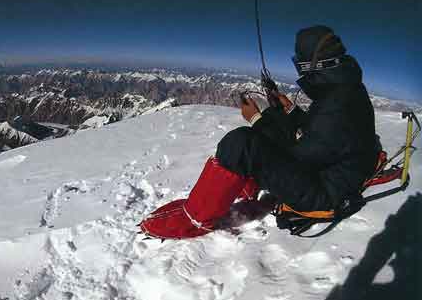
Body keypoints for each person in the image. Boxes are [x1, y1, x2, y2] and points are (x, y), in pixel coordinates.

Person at [140, 25, 380, 239]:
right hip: (336, 173)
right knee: (270, 128)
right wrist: (290, 111)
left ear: (310, 65)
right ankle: (244, 183)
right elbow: (325, 133)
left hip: (325, 192)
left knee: (241, 143)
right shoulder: (345, 92)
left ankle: (194, 219)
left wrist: (257, 120)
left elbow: (302, 155)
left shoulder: (337, 104)